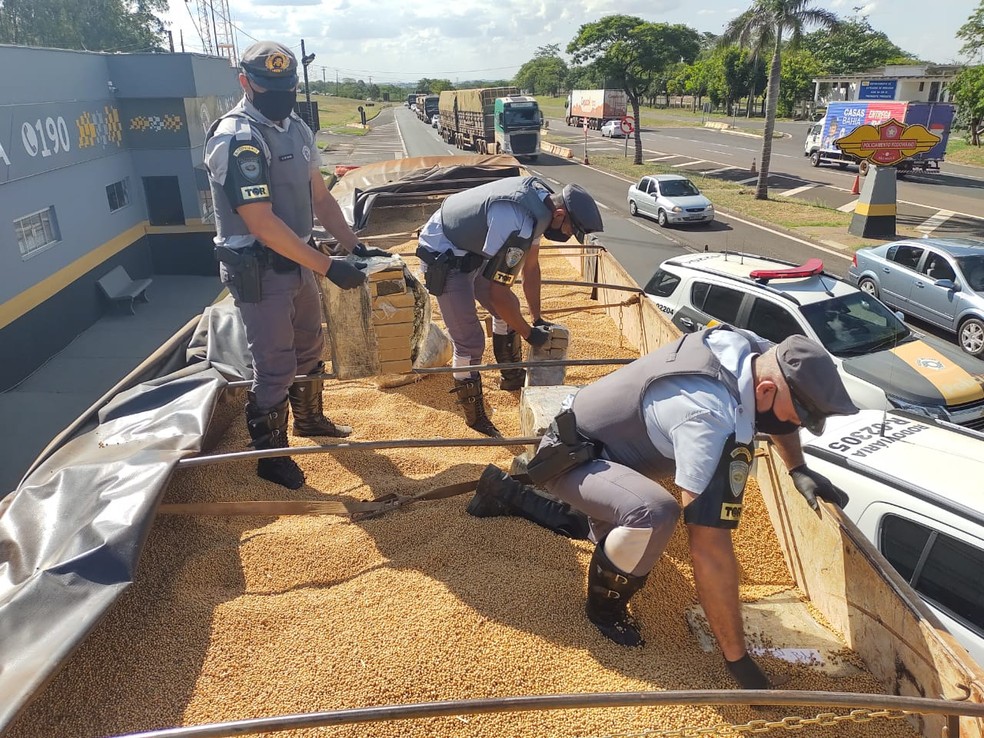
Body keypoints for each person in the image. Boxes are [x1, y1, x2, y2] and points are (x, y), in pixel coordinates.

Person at [468, 326, 858, 688]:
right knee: (654, 515)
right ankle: (603, 611)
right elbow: (709, 548)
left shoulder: (751, 349)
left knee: (629, 534)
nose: (798, 427)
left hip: (601, 447)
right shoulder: (708, 416)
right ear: (768, 390)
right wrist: (737, 658)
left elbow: (776, 412)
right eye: (801, 417)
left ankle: (505, 491)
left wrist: (798, 468)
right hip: (573, 457)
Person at [204, 41, 388, 490]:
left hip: (300, 259)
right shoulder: (238, 137)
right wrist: (328, 267)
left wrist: (353, 245)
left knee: (310, 346)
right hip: (259, 268)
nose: (281, 95)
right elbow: (261, 222)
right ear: (246, 83)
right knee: (273, 365)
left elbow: (320, 198)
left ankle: (309, 420)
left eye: (288, 86)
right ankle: (271, 456)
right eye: (270, 87)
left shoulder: (296, 129)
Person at [416, 176, 604, 437]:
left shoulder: (541, 207)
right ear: (560, 215)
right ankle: (475, 418)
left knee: (508, 310)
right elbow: (497, 292)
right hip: (445, 251)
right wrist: (528, 333)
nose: (568, 236)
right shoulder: (518, 218)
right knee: (469, 341)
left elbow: (531, 268)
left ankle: (511, 376)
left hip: (474, 247)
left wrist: (536, 318)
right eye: (571, 230)